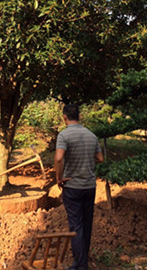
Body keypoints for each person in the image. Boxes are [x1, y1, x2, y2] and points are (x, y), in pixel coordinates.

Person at [54, 104, 104, 270]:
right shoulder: (91, 135)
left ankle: (80, 264)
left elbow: (59, 158)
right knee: (87, 223)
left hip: (72, 186)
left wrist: (59, 178)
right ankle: (84, 259)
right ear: (79, 117)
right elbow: (100, 158)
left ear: (65, 118)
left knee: (76, 225)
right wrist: (86, 162)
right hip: (90, 186)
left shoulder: (64, 135)